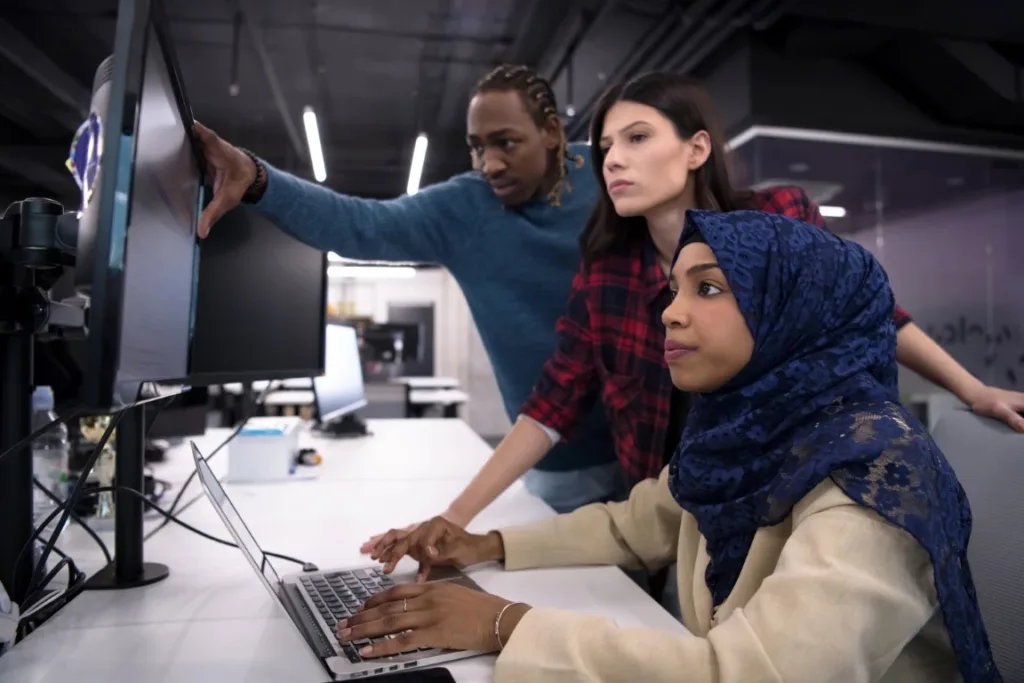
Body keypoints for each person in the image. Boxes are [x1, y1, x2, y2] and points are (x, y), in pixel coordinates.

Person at [363, 71, 1024, 550]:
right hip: (674, 516)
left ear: (697, 148)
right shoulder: (607, 275)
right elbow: (550, 406)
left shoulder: (777, 220)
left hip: (792, 508)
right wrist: (455, 516)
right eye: (607, 144)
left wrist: (973, 388)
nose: (614, 158)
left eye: (638, 137)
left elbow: (875, 313)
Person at [335, 209, 1000, 683]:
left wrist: (502, 623)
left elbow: (748, 675)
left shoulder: (873, 485)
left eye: (707, 287)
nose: (669, 311)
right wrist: (484, 546)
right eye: (674, 288)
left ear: (789, 312)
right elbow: (635, 525)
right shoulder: (747, 431)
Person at [194, 64, 623, 515]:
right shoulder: (464, 208)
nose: (490, 164)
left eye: (506, 143)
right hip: (557, 464)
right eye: (477, 148)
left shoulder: (610, 180)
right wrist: (258, 178)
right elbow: (360, 224)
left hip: (652, 445)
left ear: (551, 131)